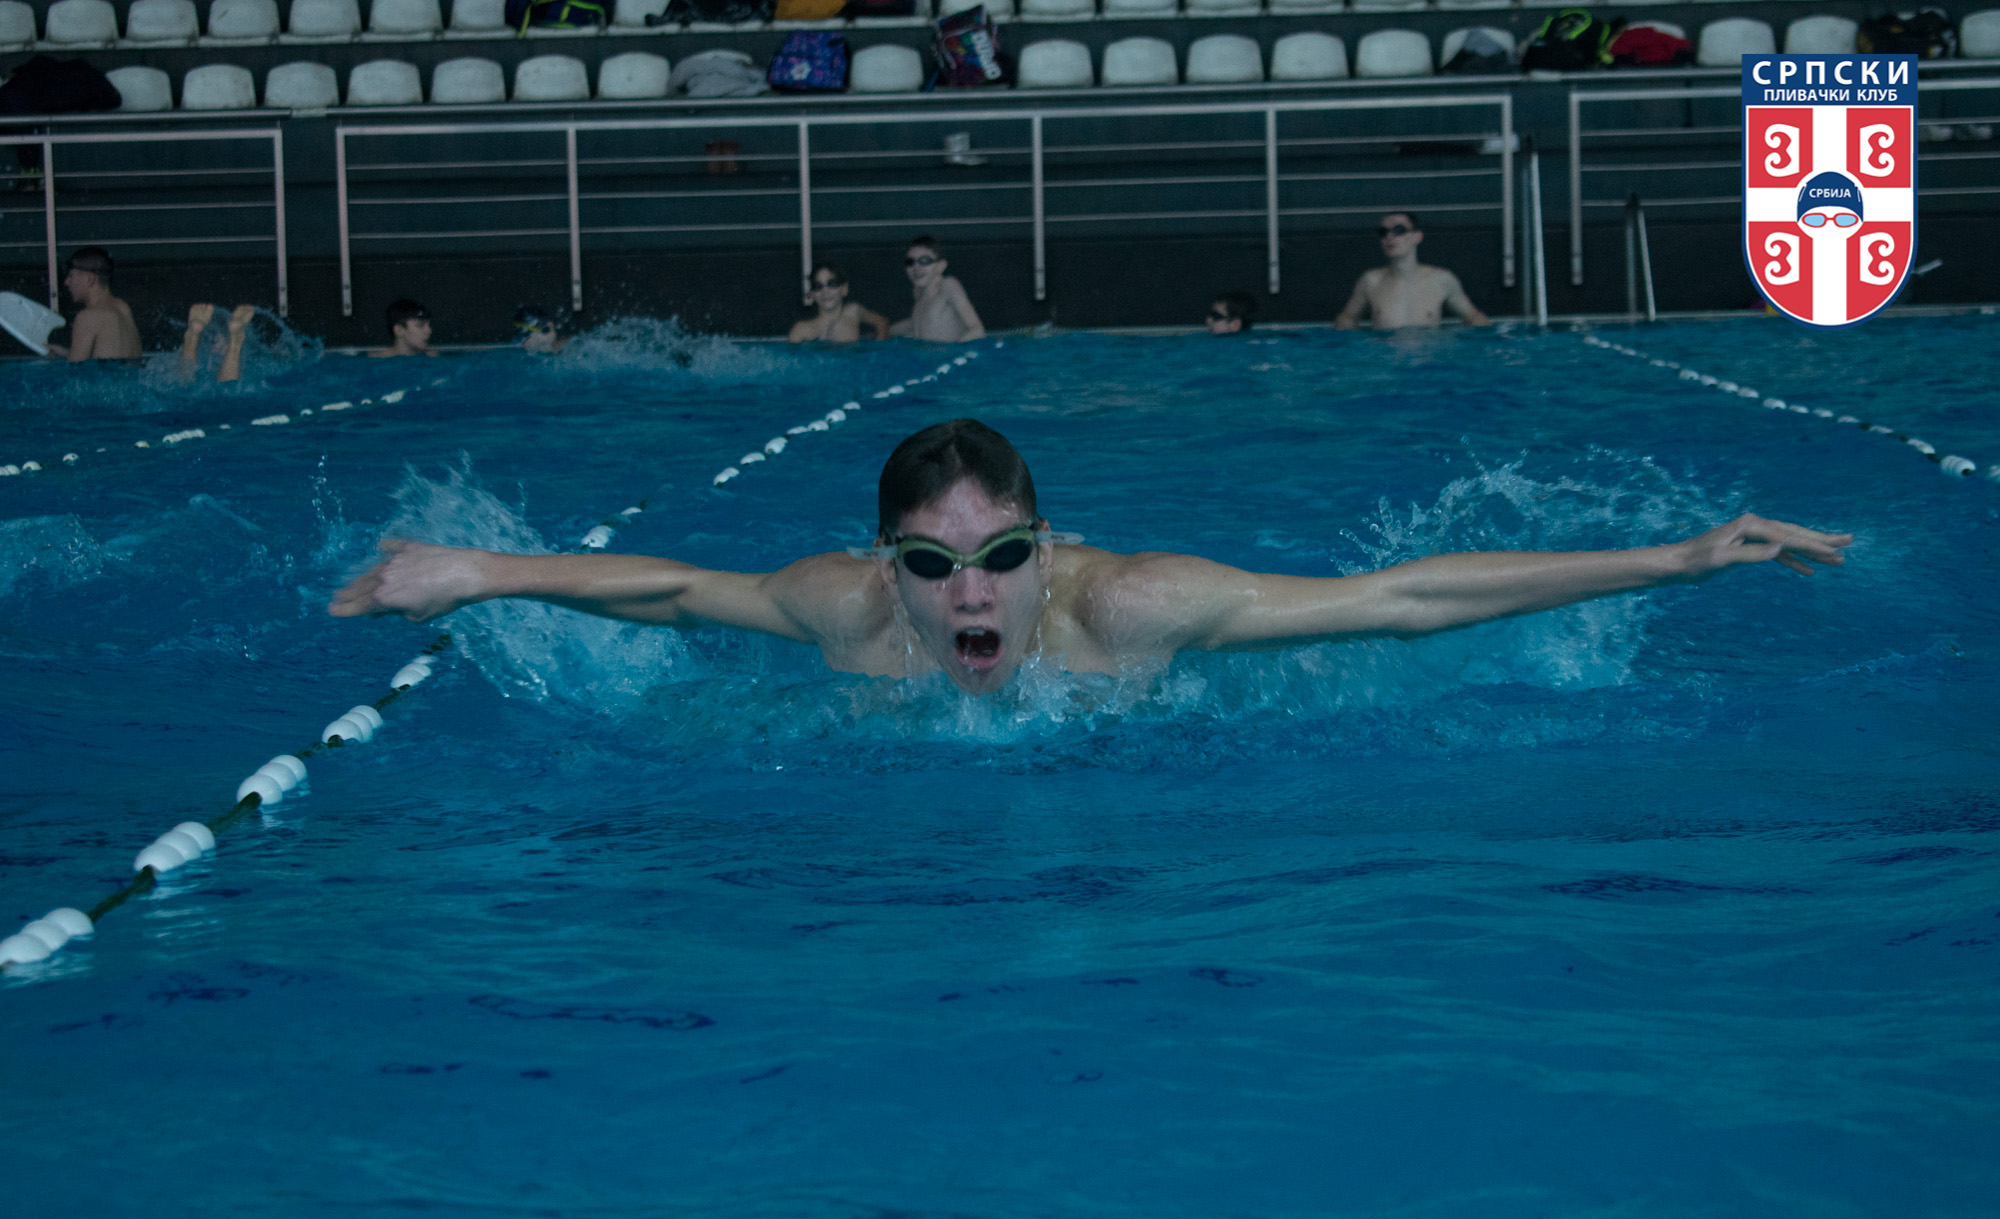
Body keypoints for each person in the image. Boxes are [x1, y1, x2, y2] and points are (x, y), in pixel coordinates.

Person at [330, 418, 1851, 700]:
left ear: (1042, 548)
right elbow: (669, 589)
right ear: (884, 562)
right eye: (934, 567)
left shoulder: (1125, 609)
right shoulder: (847, 612)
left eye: (1002, 555)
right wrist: (476, 569)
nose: (970, 593)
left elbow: (1397, 602)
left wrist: (1674, 559)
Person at [1334, 213, 1491, 331]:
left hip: (1428, 362)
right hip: (1385, 360)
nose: (1389, 236)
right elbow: (1347, 319)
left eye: (1399, 230)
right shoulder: (1370, 281)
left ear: (1417, 237)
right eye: (1383, 232)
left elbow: (1474, 317)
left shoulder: (1442, 280)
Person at [46, 247, 140, 361]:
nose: (66, 282)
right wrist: (66, 353)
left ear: (90, 279)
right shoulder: (123, 308)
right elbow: (113, 358)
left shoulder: (88, 317)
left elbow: (75, 370)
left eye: (71, 276)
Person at [888, 236, 984, 343]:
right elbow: (918, 323)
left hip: (949, 352)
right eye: (910, 262)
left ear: (941, 266)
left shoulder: (948, 285)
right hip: (925, 352)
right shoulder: (919, 294)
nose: (916, 267)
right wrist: (886, 331)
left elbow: (977, 330)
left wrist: (955, 351)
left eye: (924, 261)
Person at [789, 264, 890, 344]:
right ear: (812, 294)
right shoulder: (801, 330)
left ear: (844, 289)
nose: (825, 291)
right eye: (818, 286)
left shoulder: (853, 312)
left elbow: (882, 322)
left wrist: (878, 348)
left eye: (832, 284)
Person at [177, 303, 256, 383]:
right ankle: (235, 344)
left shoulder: (203, 360)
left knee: (184, 384)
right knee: (227, 388)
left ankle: (192, 336)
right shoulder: (253, 363)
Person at [370, 298, 434, 357]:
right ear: (399, 330)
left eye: (428, 325)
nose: (429, 331)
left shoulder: (432, 356)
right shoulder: (375, 359)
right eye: (420, 325)